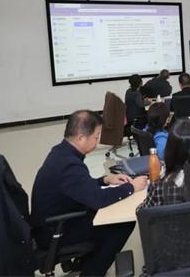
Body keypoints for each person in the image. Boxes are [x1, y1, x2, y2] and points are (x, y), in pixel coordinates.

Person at [31, 110, 148, 276]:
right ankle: (92, 272)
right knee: (121, 225)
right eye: (96, 136)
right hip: (55, 231)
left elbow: (79, 187)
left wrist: (105, 180)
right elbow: (98, 199)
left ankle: (84, 264)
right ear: (81, 138)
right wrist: (132, 187)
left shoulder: (61, 152)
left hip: (54, 222)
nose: (97, 141)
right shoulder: (69, 165)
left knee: (110, 219)